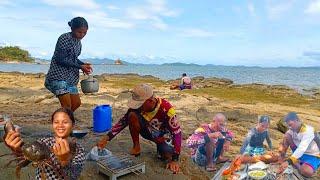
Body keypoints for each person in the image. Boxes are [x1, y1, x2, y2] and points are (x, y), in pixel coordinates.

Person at [97, 84, 182, 174]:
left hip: (163, 136)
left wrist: (175, 159)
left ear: (150, 101)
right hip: (147, 131)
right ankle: (136, 147)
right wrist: (106, 138)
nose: (137, 106)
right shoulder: (137, 108)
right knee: (131, 115)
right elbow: (123, 122)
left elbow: (177, 133)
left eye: (140, 104)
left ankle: (162, 150)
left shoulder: (167, 110)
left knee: (166, 156)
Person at [4, 108, 86, 179]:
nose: (60, 125)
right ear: (52, 124)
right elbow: (25, 161)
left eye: (65, 122)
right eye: (56, 122)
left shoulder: (78, 149)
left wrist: (64, 161)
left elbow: (74, 176)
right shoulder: (43, 142)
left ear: (73, 125)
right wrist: (17, 150)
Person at [45, 17, 92, 112]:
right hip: (58, 78)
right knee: (67, 106)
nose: (82, 35)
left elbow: (73, 58)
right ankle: (62, 122)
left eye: (85, 33)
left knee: (76, 104)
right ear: (72, 29)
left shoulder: (78, 43)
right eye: (79, 32)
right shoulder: (64, 38)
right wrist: (80, 66)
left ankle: (63, 119)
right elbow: (60, 59)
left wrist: (83, 65)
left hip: (70, 79)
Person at [278, 112, 320, 177]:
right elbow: (284, 142)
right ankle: (284, 159)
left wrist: (288, 162)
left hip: (312, 155)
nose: (290, 127)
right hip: (299, 152)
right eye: (288, 125)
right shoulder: (291, 130)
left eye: (291, 124)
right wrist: (281, 154)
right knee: (287, 135)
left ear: (297, 120)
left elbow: (302, 148)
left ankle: (296, 162)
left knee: (306, 172)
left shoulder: (308, 131)